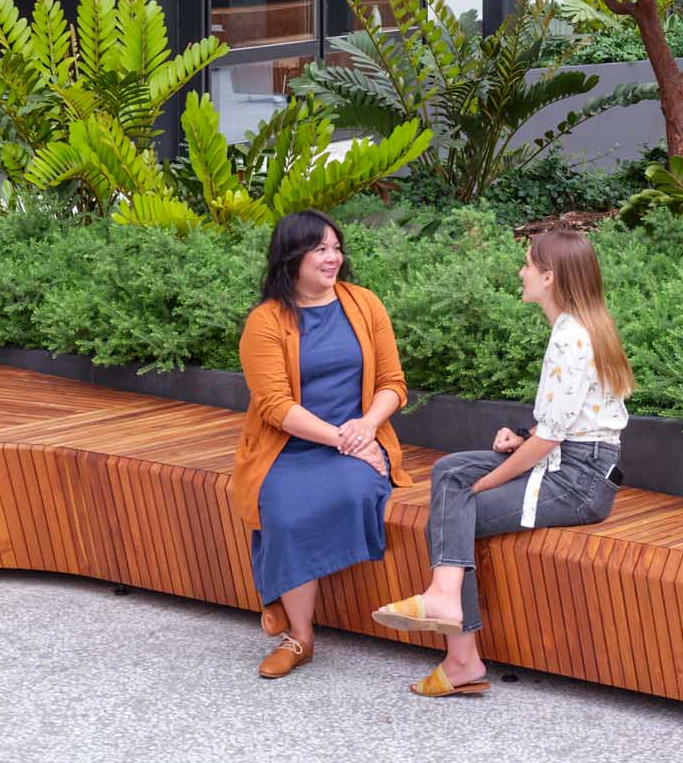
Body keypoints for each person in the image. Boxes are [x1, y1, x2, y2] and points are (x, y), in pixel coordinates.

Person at [373, 225, 633, 698]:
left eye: (529, 265)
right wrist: (521, 437)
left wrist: (492, 478)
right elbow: (565, 425)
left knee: (459, 501)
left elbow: (554, 441)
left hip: (577, 483)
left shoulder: (571, 338)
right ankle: (449, 609)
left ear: (549, 277)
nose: (522, 271)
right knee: (449, 471)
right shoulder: (579, 327)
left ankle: (459, 650)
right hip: (575, 462)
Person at [231, 210, 409, 680]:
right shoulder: (266, 322)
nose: (333, 258)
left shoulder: (364, 304)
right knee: (285, 509)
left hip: (360, 439)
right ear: (292, 257)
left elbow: (393, 383)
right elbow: (274, 406)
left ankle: (277, 597)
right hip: (289, 447)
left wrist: (366, 427)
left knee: (354, 493)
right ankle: (301, 637)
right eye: (320, 250)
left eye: (336, 247)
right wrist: (342, 438)